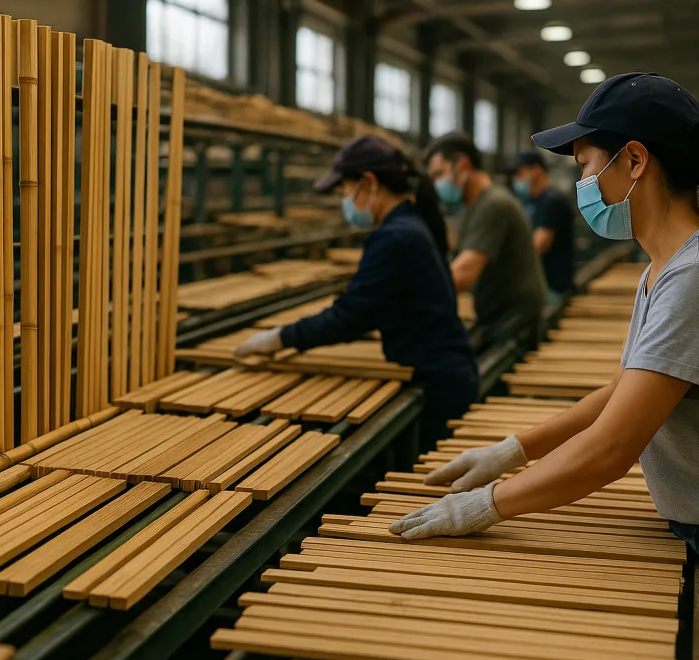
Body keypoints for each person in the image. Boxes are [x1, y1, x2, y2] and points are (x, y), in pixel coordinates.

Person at [390, 73, 699, 660]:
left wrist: (485, 506)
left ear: (635, 161)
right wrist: (513, 450)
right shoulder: (669, 266)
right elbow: (627, 390)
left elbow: (613, 449)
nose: (581, 185)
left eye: (586, 165)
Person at [234, 135, 478, 451]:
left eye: (344, 190)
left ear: (368, 182)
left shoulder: (396, 237)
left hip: (437, 383)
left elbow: (351, 316)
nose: (345, 200)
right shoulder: (410, 223)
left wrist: (279, 339)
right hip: (445, 370)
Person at [424, 132, 546, 336]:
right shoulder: (474, 205)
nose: (437, 184)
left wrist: (410, 293)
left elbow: (464, 273)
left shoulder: (493, 204)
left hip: (514, 323)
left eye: (439, 174)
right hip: (501, 316)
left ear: (461, 164)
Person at [510, 150, 575, 303]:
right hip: (535, 285)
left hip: (551, 287)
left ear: (536, 170)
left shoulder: (552, 202)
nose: (516, 179)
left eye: (520, 172)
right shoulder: (529, 202)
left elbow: (539, 245)